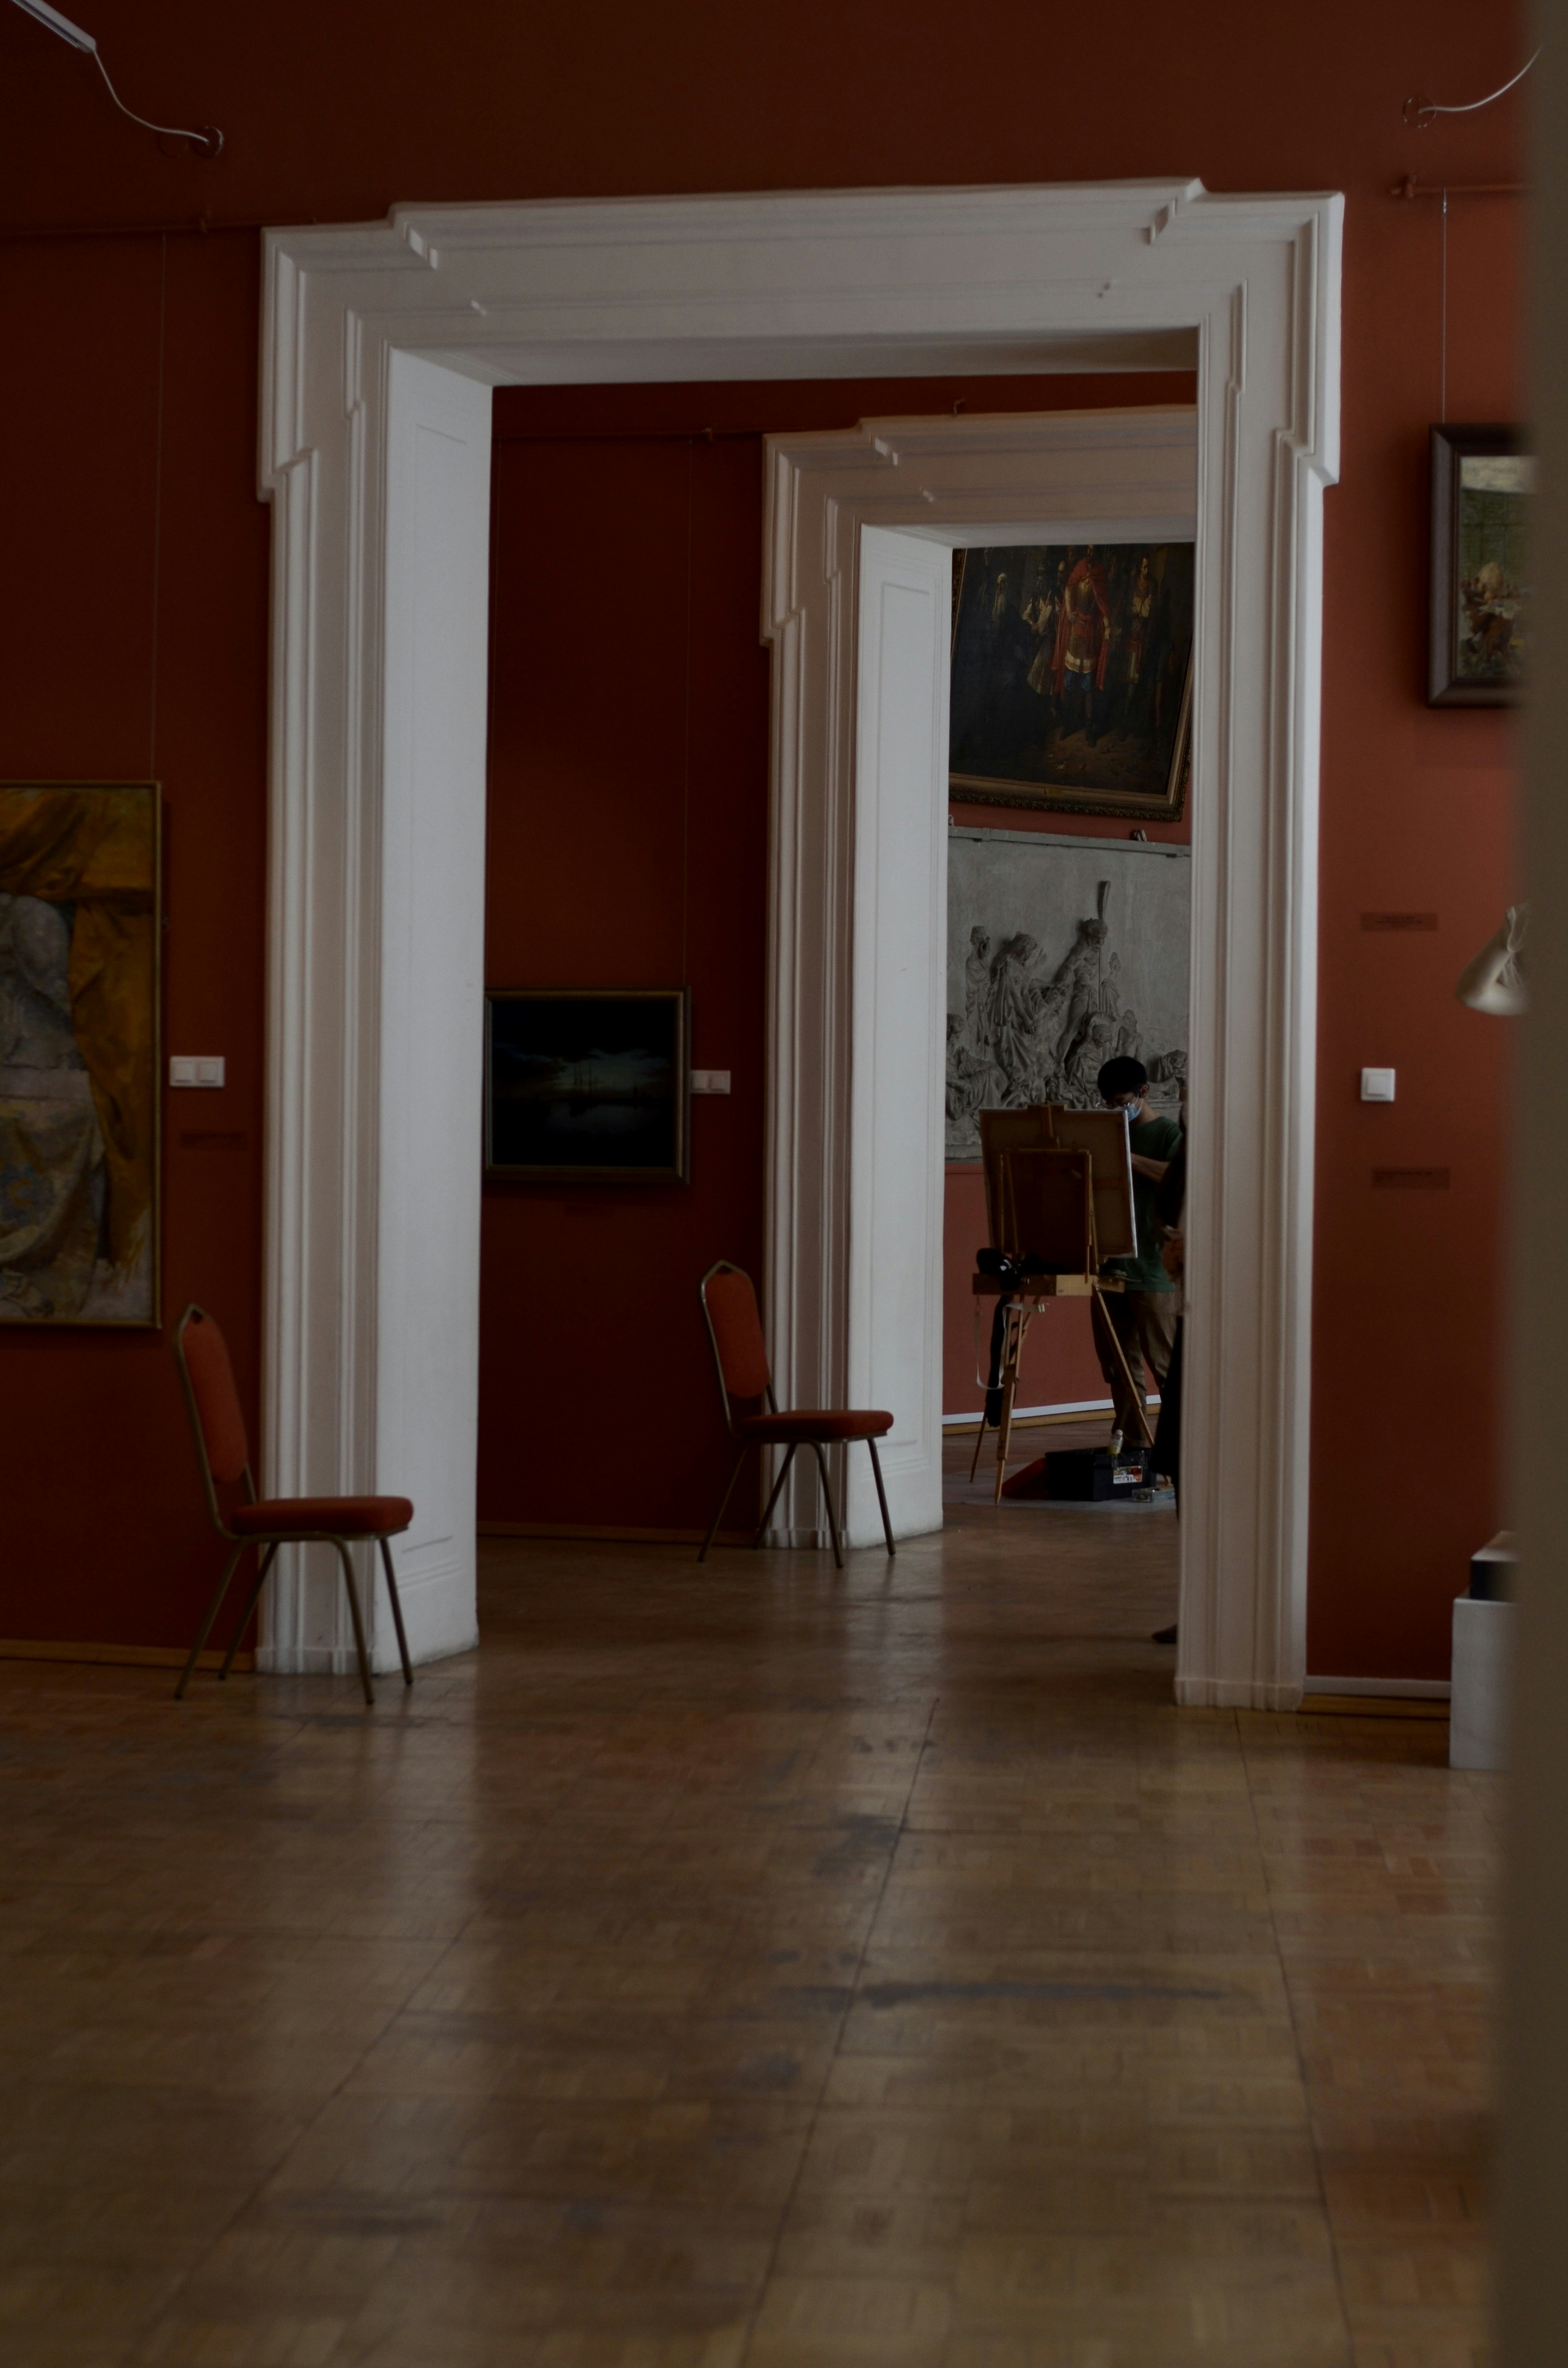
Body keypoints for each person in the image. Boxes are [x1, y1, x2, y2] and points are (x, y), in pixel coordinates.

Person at [1090, 1054, 1182, 1461]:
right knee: (1120, 1369)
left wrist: (1128, 1159)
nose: (1116, 1110)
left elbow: (1178, 1175)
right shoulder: (1107, 1131)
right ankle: (1136, 1450)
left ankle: (1180, 1454)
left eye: (1122, 1100)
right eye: (1109, 1104)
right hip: (1110, 1268)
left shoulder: (1166, 1134)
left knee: (1164, 1367)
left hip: (1153, 1271)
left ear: (1143, 1093)